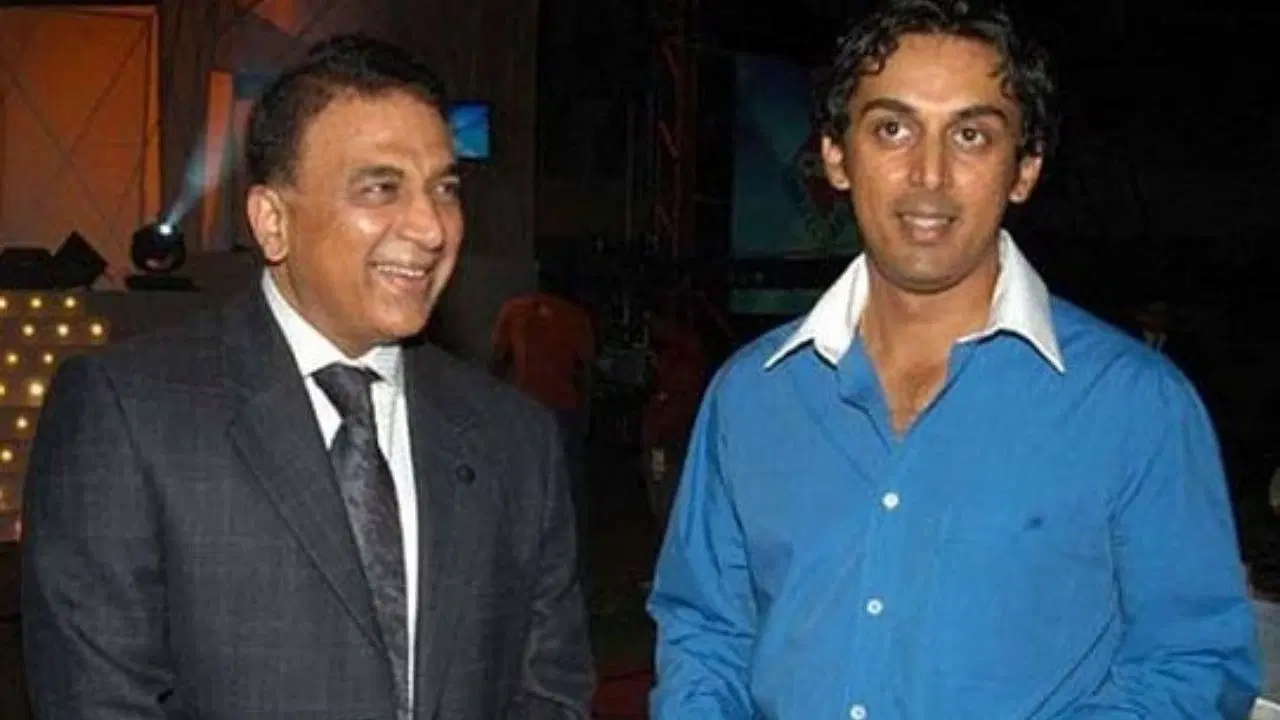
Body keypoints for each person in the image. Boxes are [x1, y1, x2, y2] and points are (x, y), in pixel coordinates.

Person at [646, 1, 1260, 717]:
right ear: (836, 156)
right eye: (893, 128)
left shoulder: (1134, 405)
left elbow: (1191, 663)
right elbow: (707, 634)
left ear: (1023, 169)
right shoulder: (751, 395)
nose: (929, 174)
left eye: (970, 135)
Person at [21, 35, 593, 719]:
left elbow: (551, 692)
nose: (431, 227)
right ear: (272, 222)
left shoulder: (515, 439)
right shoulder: (128, 417)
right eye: (380, 188)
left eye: (444, 189)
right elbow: (98, 702)